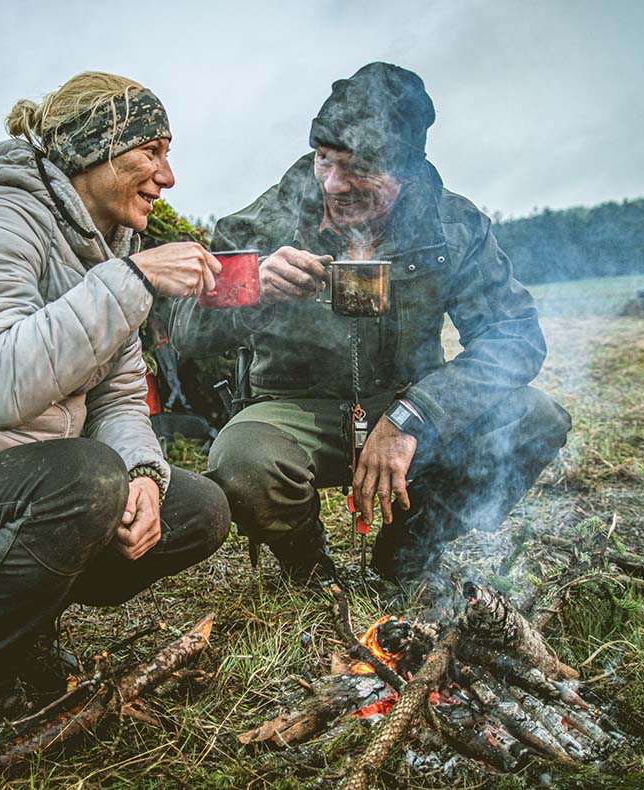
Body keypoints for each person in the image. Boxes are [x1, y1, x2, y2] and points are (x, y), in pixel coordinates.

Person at [0, 72, 230, 738]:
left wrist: (143, 474)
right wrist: (132, 281)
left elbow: (118, 394)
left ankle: (24, 631)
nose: (167, 176)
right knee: (83, 477)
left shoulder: (107, 243)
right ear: (97, 151)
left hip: (18, 493)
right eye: (153, 151)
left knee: (197, 509)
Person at [170, 62, 571, 585]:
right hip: (291, 406)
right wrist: (253, 287)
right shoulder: (268, 220)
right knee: (243, 459)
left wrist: (415, 414)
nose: (334, 184)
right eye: (324, 161)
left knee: (535, 417)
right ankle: (307, 568)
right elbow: (186, 333)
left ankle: (410, 549)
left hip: (409, 401)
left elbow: (514, 336)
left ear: (405, 169)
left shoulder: (453, 227)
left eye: (358, 168)